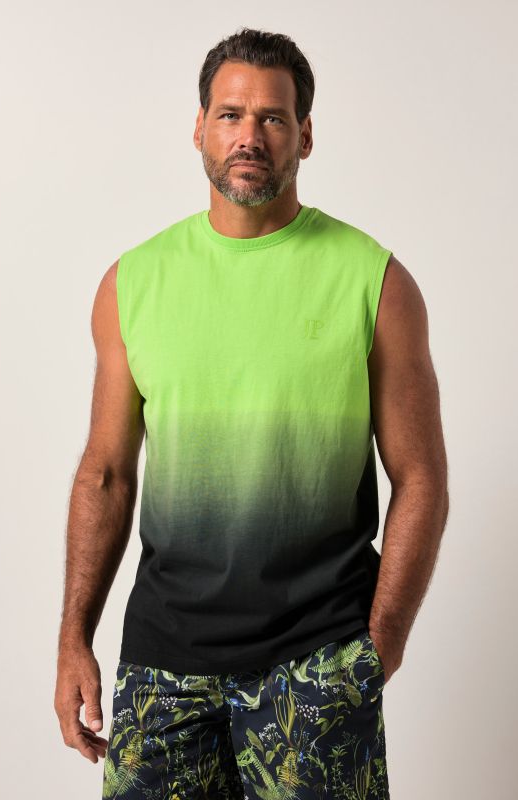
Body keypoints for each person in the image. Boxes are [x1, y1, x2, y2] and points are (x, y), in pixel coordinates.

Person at [54, 27, 449, 800]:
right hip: (163, 665)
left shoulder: (373, 281)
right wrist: (73, 636)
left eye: (272, 117)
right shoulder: (131, 283)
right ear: (198, 127)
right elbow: (104, 474)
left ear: (305, 134)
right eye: (230, 115)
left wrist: (380, 648)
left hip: (317, 664)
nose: (249, 136)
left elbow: (420, 478)